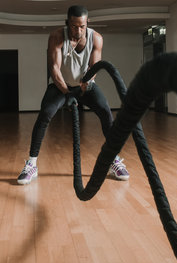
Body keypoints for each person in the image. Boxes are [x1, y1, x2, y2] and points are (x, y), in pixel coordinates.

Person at [17, 5, 129, 185]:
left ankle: (113, 160)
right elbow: (54, 68)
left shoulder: (97, 38)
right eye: (74, 26)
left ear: (87, 23)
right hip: (60, 85)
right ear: (67, 23)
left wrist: (84, 86)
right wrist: (67, 93)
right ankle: (31, 164)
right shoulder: (57, 36)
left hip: (85, 84)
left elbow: (94, 67)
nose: (78, 30)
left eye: (82, 26)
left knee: (105, 111)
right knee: (45, 114)